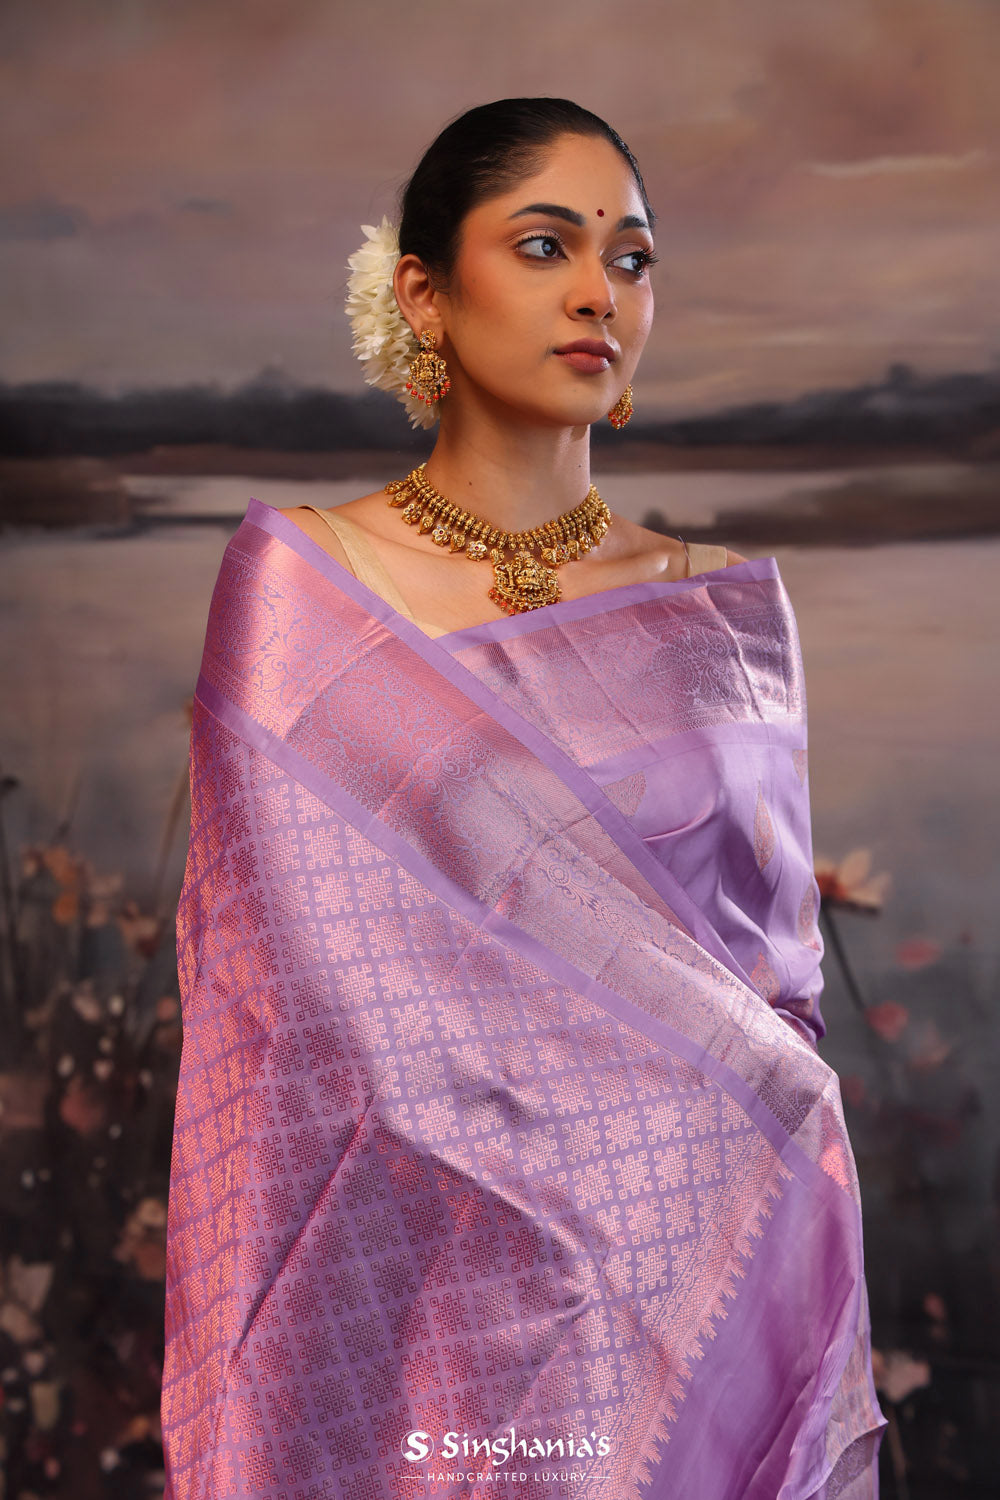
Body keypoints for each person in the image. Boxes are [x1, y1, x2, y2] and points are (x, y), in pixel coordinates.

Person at [162, 99, 885, 1498]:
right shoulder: (305, 591)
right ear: (423, 294)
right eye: (547, 244)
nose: (598, 291)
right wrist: (584, 1143)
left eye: (632, 257)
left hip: (685, 1280)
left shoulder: (723, 611)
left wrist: (694, 1157)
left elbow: (779, 997)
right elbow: (300, 1004)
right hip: (423, 1293)